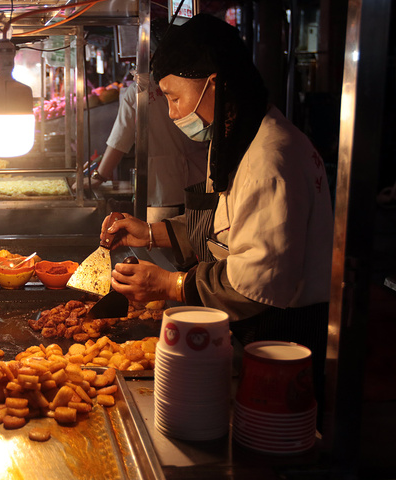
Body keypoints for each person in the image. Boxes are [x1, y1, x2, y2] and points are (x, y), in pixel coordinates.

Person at [102, 14, 333, 400]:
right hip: (244, 330)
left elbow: (256, 283)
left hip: (279, 338)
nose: (174, 113)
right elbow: (223, 225)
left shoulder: (270, 160)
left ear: (215, 84)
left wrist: (169, 284)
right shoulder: (234, 139)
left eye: (175, 98)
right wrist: (152, 233)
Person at [82, 76, 208, 222]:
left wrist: (99, 177)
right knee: (195, 233)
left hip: (164, 187)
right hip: (200, 180)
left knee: (159, 236)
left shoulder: (139, 89)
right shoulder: (192, 81)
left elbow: (120, 139)